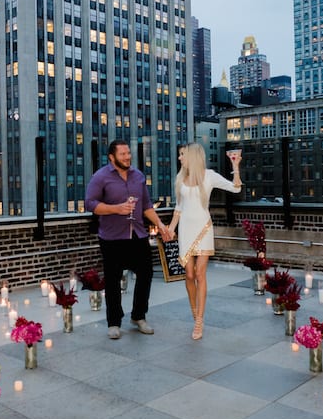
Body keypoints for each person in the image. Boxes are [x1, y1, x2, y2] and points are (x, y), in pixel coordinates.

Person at [85, 140, 171, 340]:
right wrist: (116, 209)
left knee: (146, 274)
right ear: (111, 157)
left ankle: (138, 316)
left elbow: (147, 205)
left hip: (137, 234)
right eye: (122, 154)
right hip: (111, 237)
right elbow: (90, 203)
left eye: (128, 153)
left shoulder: (138, 176)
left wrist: (161, 225)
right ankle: (114, 322)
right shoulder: (100, 177)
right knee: (113, 280)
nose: (127, 157)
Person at [168, 143, 242, 340]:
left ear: (192, 156)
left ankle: (199, 320)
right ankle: (194, 311)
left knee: (200, 274)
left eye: (182, 154)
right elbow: (179, 208)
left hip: (203, 229)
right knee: (189, 274)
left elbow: (235, 188)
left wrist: (235, 166)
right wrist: (170, 228)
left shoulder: (208, 175)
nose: (180, 158)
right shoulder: (180, 178)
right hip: (185, 231)